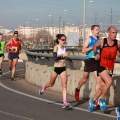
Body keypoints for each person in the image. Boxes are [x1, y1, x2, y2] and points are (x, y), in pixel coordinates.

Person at [88, 26, 120, 112]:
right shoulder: (102, 41)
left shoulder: (118, 43)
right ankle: (102, 100)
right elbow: (94, 46)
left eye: (116, 33)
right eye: (113, 33)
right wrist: (96, 53)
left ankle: (93, 100)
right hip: (101, 66)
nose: (115, 34)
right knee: (109, 81)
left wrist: (118, 53)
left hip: (110, 67)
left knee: (102, 87)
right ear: (108, 33)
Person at [39, 34, 71, 109]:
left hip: (63, 68)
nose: (64, 41)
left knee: (64, 85)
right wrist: (64, 55)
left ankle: (65, 102)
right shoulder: (56, 47)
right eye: (62, 40)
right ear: (59, 40)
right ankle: (44, 87)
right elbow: (55, 58)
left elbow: (64, 57)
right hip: (56, 68)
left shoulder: (64, 48)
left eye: (65, 40)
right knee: (51, 84)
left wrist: (68, 58)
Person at [74, 25, 101, 106]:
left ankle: (96, 99)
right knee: (85, 78)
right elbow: (83, 50)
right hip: (89, 61)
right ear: (92, 31)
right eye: (96, 30)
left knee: (98, 80)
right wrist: (92, 47)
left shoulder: (100, 40)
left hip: (97, 61)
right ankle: (77, 89)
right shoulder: (89, 39)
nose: (98, 31)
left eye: (98, 30)